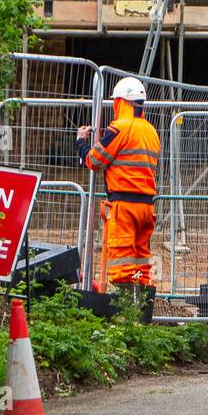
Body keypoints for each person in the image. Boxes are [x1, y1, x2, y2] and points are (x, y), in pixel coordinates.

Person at [76, 77, 160, 288]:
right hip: (147, 207)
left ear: (120, 102)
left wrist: (80, 143)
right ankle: (141, 311)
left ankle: (123, 312)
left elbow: (94, 160)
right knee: (142, 263)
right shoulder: (151, 131)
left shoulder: (119, 128)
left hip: (124, 206)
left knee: (121, 262)